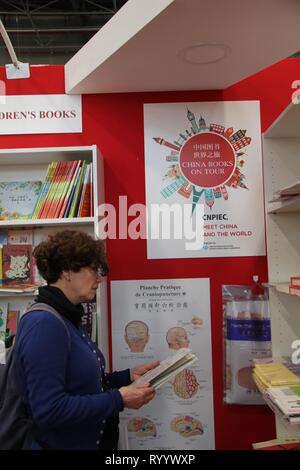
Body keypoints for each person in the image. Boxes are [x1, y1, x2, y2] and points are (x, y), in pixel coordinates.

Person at [14, 230, 157, 450]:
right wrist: (118, 399)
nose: (99, 278)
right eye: (92, 268)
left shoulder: (68, 317)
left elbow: (79, 384)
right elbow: (49, 410)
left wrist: (126, 378)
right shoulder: (44, 323)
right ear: (67, 271)